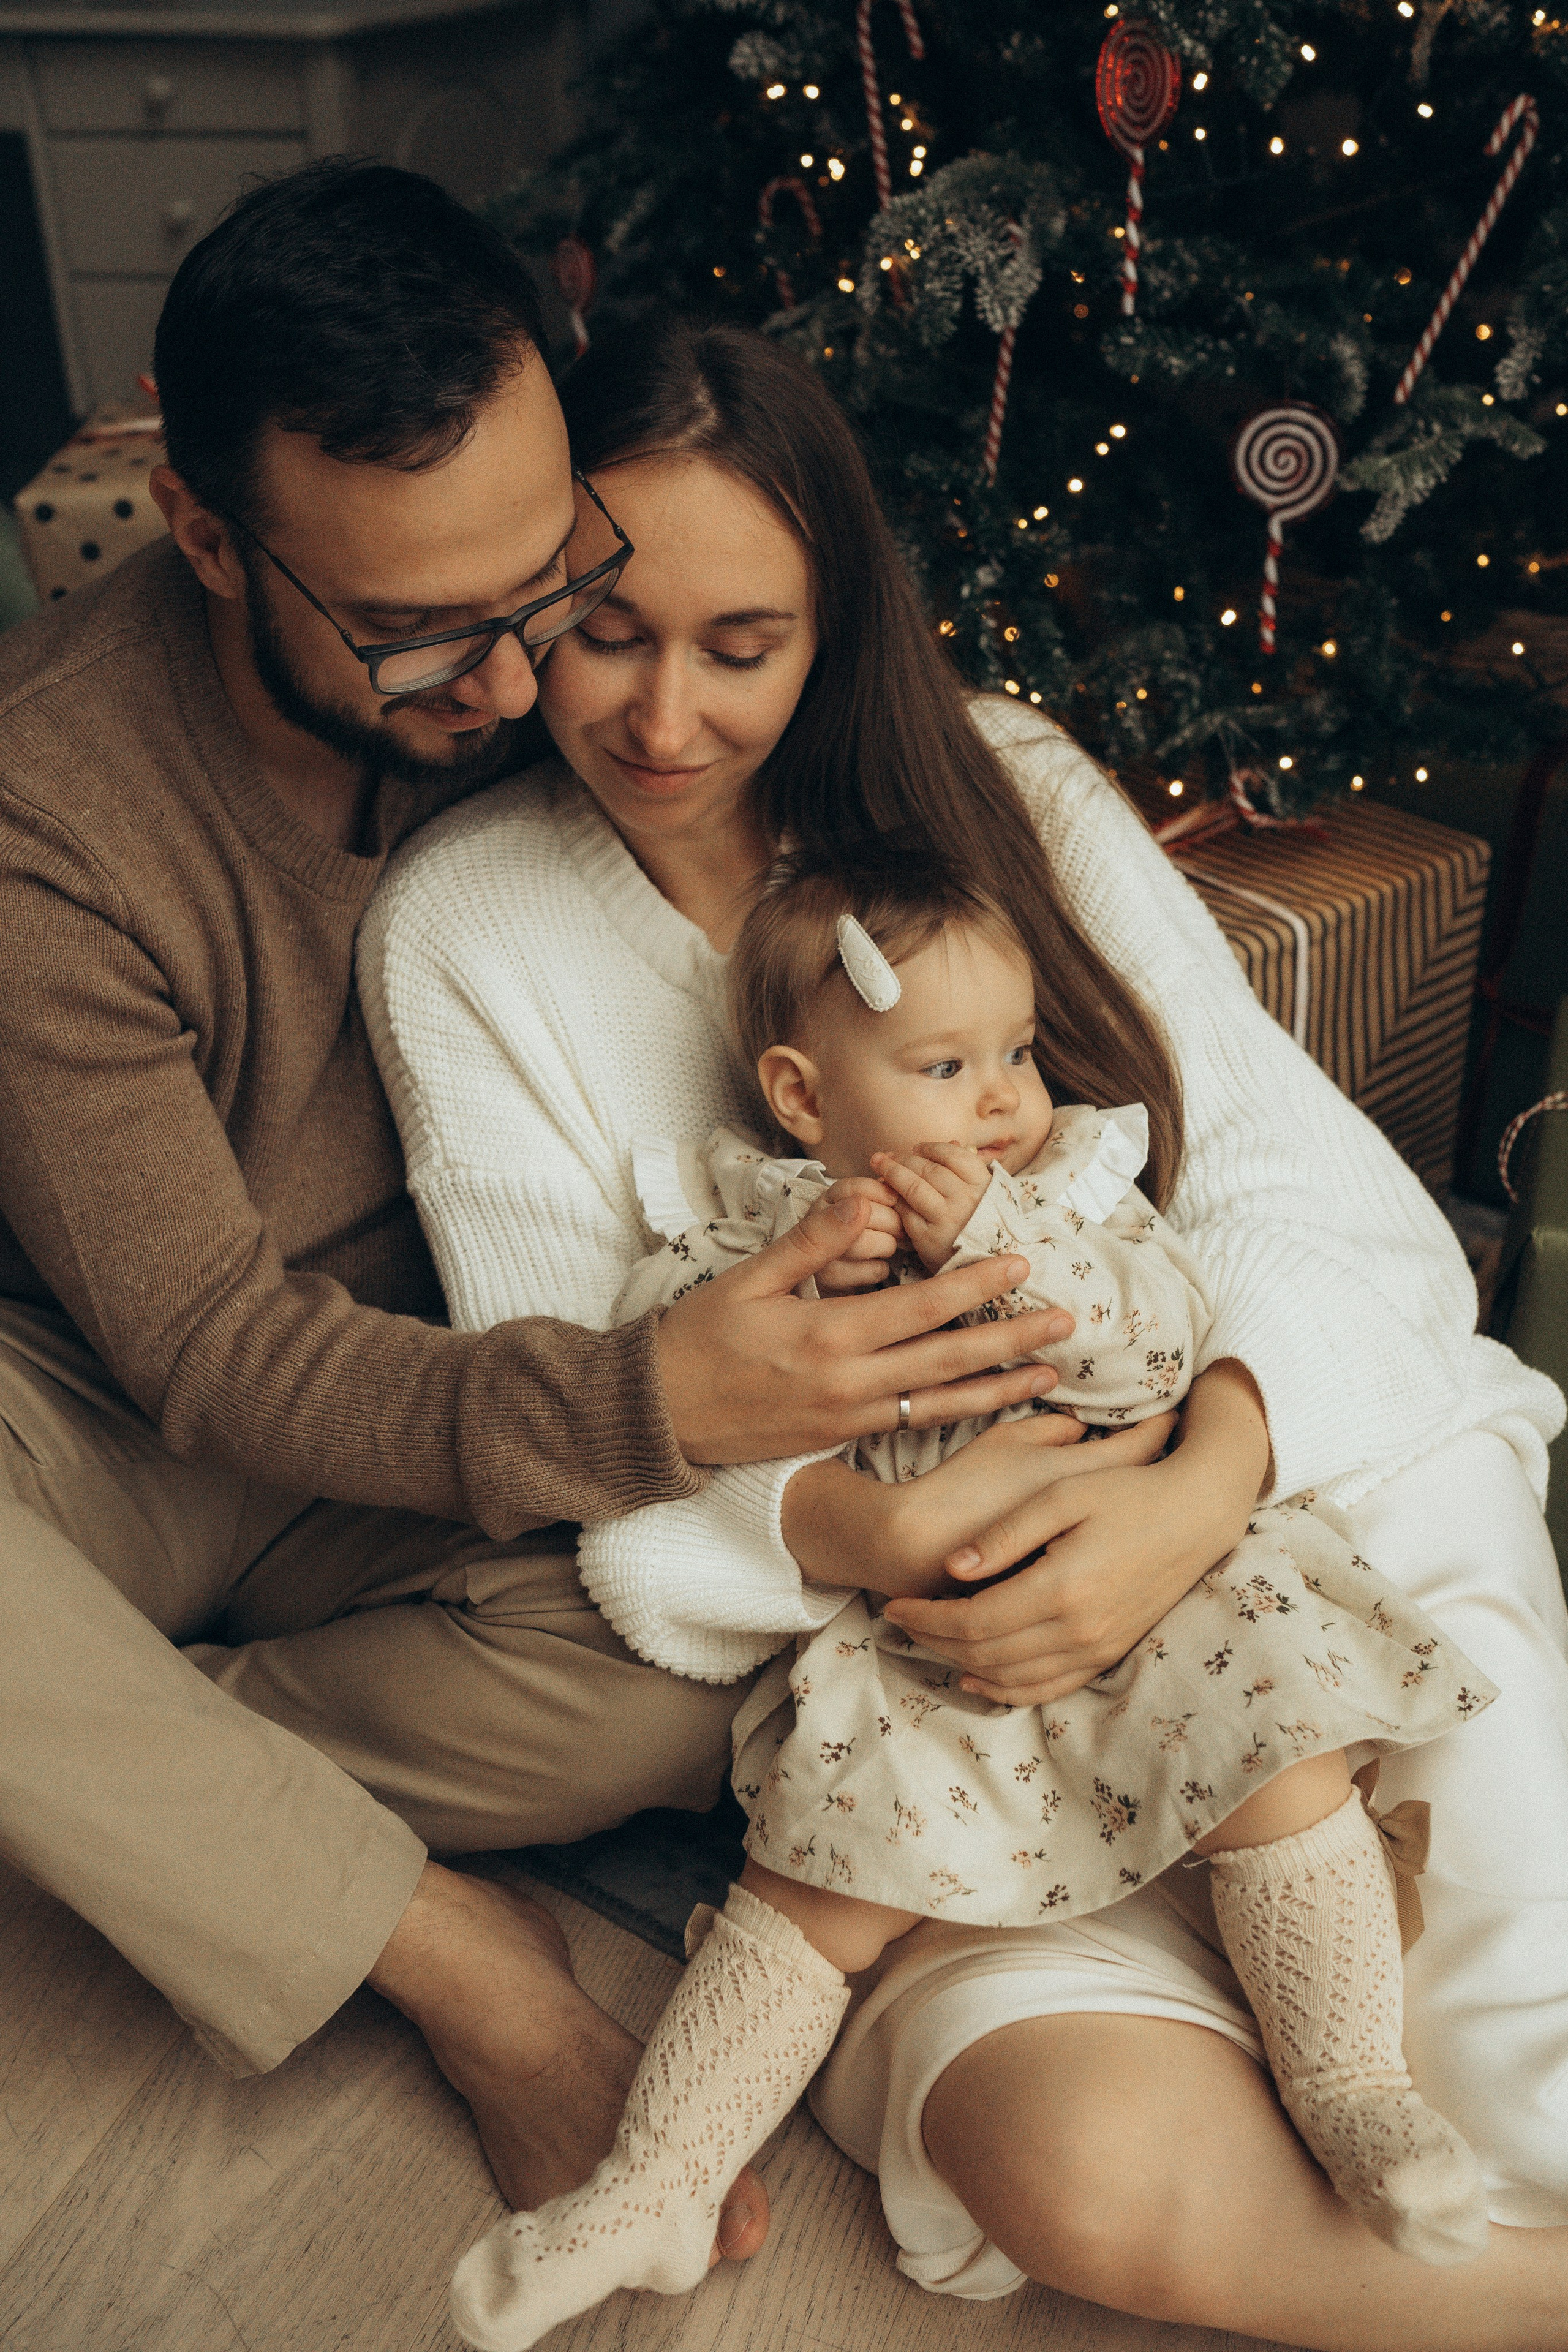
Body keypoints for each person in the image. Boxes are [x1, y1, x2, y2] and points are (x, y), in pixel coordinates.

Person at [358, 313, 1568, 2351]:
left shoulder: (1000, 782)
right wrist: (878, 1541)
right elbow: (597, 1467)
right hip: (928, 1676)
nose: (663, 716)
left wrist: (1192, 1492)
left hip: (1289, 1510)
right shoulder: (465, 930)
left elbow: (1331, 1206)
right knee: (1090, 2178)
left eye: (742, 644)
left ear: (837, 623)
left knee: (1511, 2070)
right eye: (603, 633)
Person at [0, 162, 1077, 2261]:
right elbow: (212, 1355)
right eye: (415, 634)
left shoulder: (588, 669)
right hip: (122, 1391)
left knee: (700, 1670)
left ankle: (139, 1788)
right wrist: (647, 1400)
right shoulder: (52, 826)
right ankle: (432, 1939)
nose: (517, 687)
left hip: (472, 1372)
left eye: (542, 590)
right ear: (204, 534)